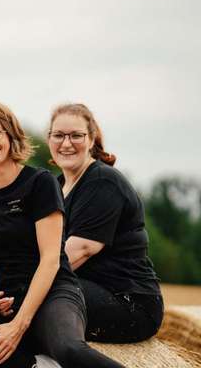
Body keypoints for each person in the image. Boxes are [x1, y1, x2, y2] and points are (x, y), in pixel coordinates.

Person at [0, 101, 124, 368]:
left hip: (53, 295)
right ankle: (32, 364)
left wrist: (18, 324)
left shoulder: (41, 183)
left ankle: (38, 348)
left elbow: (51, 260)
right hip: (10, 304)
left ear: (11, 136)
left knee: (69, 350)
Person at [47, 103, 164, 343]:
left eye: (76, 135)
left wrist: (22, 287)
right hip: (87, 288)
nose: (66, 143)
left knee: (41, 295)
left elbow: (77, 252)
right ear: (49, 139)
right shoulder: (56, 187)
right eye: (58, 135)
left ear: (92, 139)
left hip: (129, 303)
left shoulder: (103, 182)